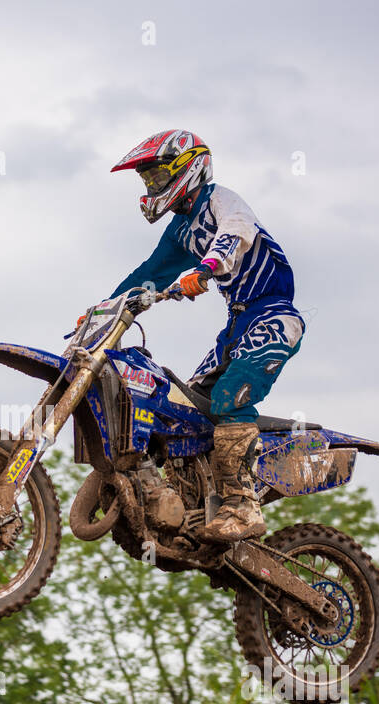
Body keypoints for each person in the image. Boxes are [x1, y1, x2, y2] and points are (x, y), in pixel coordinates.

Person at [103, 128, 305, 542]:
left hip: (272, 316)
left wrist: (205, 269)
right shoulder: (180, 227)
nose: (151, 186)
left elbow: (235, 233)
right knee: (182, 410)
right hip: (235, 325)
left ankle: (242, 506)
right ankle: (192, 505)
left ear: (188, 168)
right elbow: (150, 273)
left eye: (156, 177)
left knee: (230, 397)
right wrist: (102, 311)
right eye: (148, 181)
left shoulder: (221, 201)